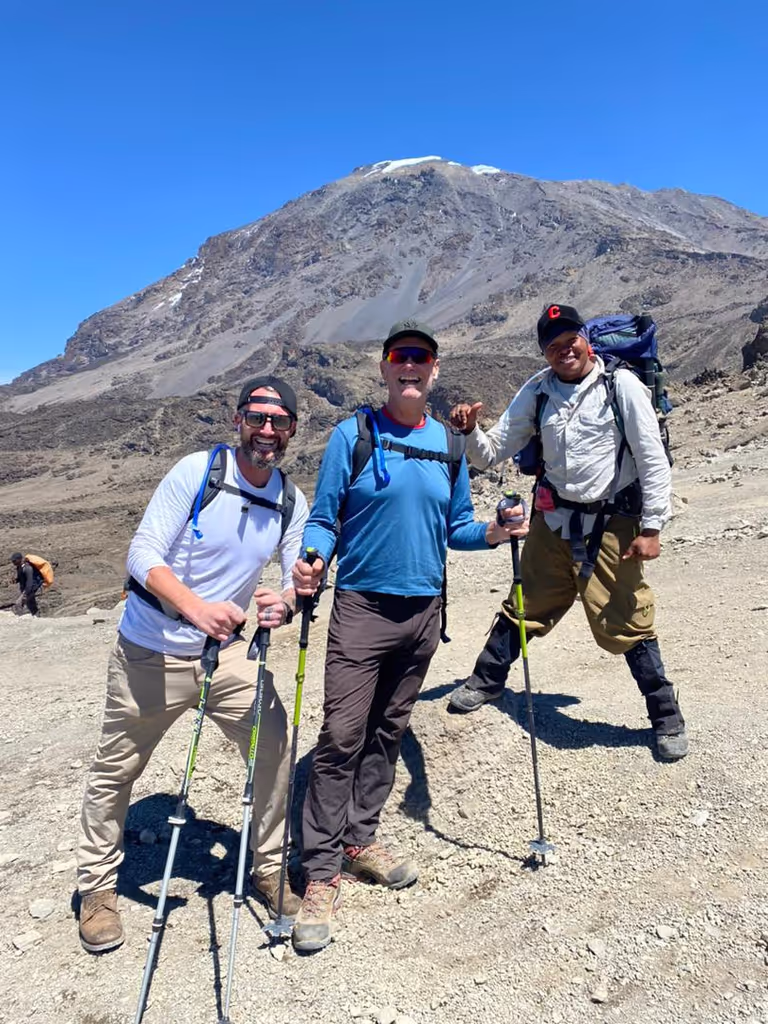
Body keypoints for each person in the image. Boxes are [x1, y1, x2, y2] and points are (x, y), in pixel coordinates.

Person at [290, 319, 524, 953]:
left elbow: (459, 527)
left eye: (422, 358)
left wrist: (497, 535)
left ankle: (360, 837)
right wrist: (312, 556)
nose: (411, 366)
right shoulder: (353, 437)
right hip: (363, 608)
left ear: (435, 370)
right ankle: (318, 874)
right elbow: (323, 516)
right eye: (401, 357)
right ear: (384, 367)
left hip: (424, 614)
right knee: (341, 735)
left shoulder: (449, 444)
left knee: (389, 730)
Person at [76, 376, 309, 954]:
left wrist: (287, 599)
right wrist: (196, 609)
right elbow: (142, 554)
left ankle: (269, 866)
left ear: (293, 431)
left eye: (279, 422)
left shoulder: (289, 500)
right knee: (117, 767)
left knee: (276, 743)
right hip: (151, 651)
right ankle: (98, 888)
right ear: (237, 421)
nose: (267, 431)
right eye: (257, 418)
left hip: (226, 656)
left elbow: (293, 580)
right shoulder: (197, 473)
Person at [447, 303, 688, 762]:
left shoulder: (622, 387)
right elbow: (491, 452)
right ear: (544, 354)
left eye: (569, 340)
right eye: (552, 346)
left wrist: (653, 526)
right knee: (527, 601)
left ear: (586, 338)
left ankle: (666, 715)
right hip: (553, 518)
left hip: (613, 521)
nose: (564, 351)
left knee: (626, 616)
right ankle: (486, 681)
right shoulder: (537, 391)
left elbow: (652, 458)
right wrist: (472, 430)